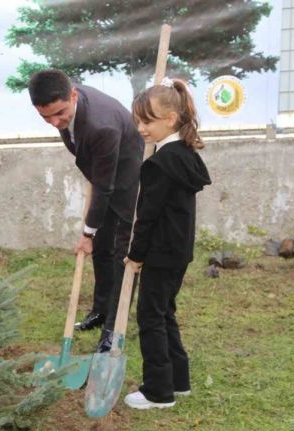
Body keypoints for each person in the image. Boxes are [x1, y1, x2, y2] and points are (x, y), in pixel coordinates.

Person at [28, 69, 144, 351]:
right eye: (46, 117)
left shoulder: (100, 125)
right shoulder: (65, 102)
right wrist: (94, 235)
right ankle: (101, 311)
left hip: (129, 181)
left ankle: (112, 329)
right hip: (103, 174)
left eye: (60, 114)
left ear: (74, 96)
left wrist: (87, 233)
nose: (55, 122)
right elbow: (98, 177)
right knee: (102, 251)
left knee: (121, 254)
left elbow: (105, 186)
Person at [123, 78, 211, 410]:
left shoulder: (160, 164)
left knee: (150, 316)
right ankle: (179, 380)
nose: (141, 128)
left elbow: (147, 217)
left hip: (160, 253)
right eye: (138, 121)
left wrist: (134, 256)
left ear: (171, 119)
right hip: (179, 251)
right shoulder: (184, 155)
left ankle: (158, 391)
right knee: (165, 312)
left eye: (147, 121)